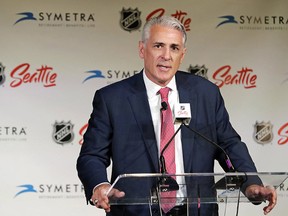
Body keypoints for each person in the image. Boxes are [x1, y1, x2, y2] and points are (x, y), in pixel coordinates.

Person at [77, 16, 276, 216]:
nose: (166, 55)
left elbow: (229, 145)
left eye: (174, 48)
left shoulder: (205, 94)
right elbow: (92, 155)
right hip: (135, 211)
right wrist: (99, 185)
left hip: (197, 211)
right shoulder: (112, 98)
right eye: (158, 46)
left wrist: (251, 183)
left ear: (182, 54)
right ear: (142, 49)